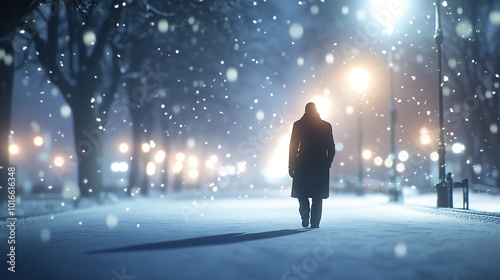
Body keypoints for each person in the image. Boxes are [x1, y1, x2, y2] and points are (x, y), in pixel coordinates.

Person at [289, 102, 335, 228]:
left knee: (302, 192)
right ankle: (315, 223)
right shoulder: (326, 126)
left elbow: (293, 147)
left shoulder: (298, 125)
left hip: (302, 163)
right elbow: (331, 147)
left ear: (305, 111)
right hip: (320, 164)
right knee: (317, 196)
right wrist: (328, 162)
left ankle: (305, 211)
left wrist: (291, 165)